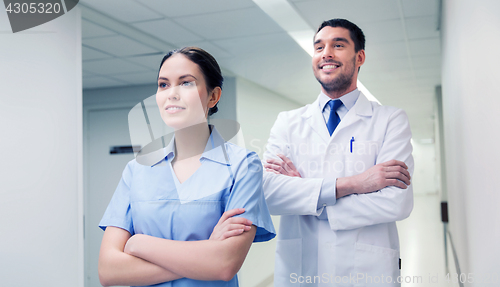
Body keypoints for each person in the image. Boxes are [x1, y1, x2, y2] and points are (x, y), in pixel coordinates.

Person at [98, 46, 275, 287]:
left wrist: (139, 244)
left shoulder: (243, 166)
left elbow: (224, 265)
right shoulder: (137, 169)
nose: (172, 93)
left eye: (186, 83)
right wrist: (206, 253)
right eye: (163, 84)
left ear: (213, 97)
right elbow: (109, 272)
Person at [263, 19, 413, 286]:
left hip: (366, 271)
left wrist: (308, 197)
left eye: (338, 45)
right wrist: (357, 184)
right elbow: (269, 195)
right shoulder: (288, 122)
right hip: (301, 269)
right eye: (319, 47)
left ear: (360, 57)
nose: (326, 53)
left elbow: (396, 202)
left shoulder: (390, 120)